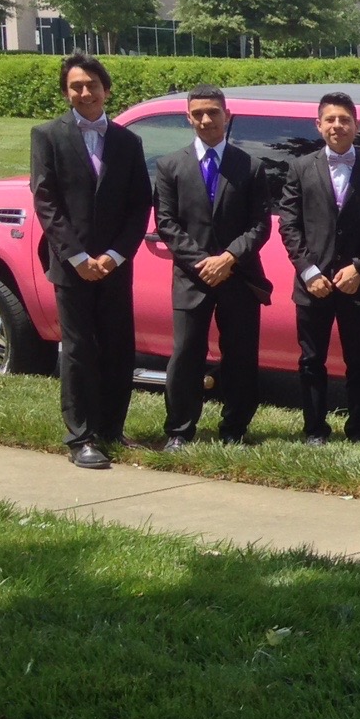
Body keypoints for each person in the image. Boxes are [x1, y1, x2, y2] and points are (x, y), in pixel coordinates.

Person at [28, 52, 151, 468]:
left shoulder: (127, 142)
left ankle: (112, 429)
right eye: (76, 86)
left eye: (92, 85)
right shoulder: (47, 136)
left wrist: (115, 255)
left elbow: (139, 205)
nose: (85, 92)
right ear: (67, 92)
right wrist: (78, 257)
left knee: (118, 348)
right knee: (79, 350)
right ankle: (81, 437)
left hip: (115, 264)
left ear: (106, 89)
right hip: (72, 264)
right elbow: (47, 202)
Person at [152, 84, 272, 449]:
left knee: (240, 355)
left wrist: (229, 258)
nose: (206, 119)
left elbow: (260, 225)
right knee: (186, 354)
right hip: (192, 278)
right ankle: (180, 429)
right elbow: (167, 223)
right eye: (198, 113)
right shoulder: (170, 166)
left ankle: (235, 427)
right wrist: (202, 261)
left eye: (213, 112)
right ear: (188, 118)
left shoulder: (250, 167)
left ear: (227, 116)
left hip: (239, 276)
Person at [277, 91, 360, 445]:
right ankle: (314, 429)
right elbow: (289, 224)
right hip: (313, 284)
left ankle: (358, 430)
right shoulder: (299, 167)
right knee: (311, 360)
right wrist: (308, 271)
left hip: (359, 284)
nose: (337, 126)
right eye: (330, 119)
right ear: (319, 125)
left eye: (344, 119)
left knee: (359, 362)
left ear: (357, 125)